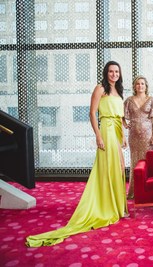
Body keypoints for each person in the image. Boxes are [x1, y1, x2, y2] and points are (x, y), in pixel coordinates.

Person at [26, 61, 129, 247]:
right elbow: (92, 113)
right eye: (111, 71)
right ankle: (107, 207)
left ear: (120, 74)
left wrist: (124, 135)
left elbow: (120, 117)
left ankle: (117, 206)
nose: (114, 74)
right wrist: (98, 135)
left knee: (120, 167)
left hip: (116, 131)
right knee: (110, 168)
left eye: (117, 72)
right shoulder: (100, 88)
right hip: (106, 129)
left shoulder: (118, 92)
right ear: (106, 73)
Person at [123, 75, 153, 199]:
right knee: (135, 161)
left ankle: (148, 190)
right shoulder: (128, 100)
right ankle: (134, 191)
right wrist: (124, 124)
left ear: (146, 86)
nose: (140, 86)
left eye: (142, 84)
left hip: (148, 135)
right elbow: (120, 114)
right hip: (133, 136)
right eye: (138, 84)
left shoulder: (151, 99)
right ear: (134, 86)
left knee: (148, 161)